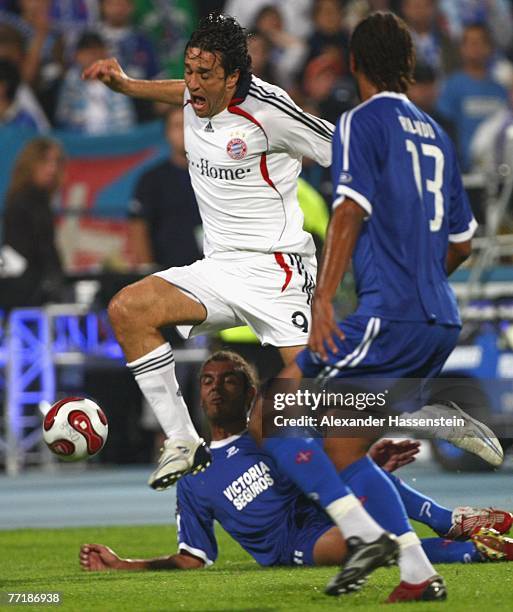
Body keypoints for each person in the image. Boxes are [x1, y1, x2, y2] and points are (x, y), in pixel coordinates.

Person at [247, 11, 500, 602]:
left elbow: (348, 209)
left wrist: (325, 297)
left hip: (389, 315)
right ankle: (416, 571)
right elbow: (463, 240)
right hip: (440, 316)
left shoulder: (359, 120)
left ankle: (364, 535)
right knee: (342, 444)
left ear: (355, 64)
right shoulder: (437, 131)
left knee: (272, 411)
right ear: (409, 65)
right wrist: (423, 286)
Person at [82, 13, 333, 490]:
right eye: (189, 71)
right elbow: (176, 89)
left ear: (233, 77)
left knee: (322, 398)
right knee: (128, 309)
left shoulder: (270, 111)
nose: (191, 85)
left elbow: (342, 146)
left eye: (204, 75)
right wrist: (128, 85)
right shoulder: (196, 92)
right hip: (219, 267)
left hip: (277, 270)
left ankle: (425, 418)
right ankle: (182, 440)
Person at [79, 351, 513, 573]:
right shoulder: (194, 474)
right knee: (366, 543)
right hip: (293, 543)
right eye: (208, 382)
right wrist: (123, 563)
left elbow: (324, 463)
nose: (215, 389)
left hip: (319, 508)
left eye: (229, 381)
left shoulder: (265, 434)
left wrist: (363, 457)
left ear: (249, 394)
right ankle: (471, 551)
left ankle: (446, 517)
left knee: (343, 451)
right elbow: (195, 557)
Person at [127, 105, 202, 269]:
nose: (183, 132)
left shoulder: (217, 176)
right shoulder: (151, 180)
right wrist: (148, 273)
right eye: (176, 126)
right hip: (167, 277)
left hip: (213, 274)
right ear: (167, 134)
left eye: (188, 125)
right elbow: (138, 228)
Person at [1, 137, 66, 309]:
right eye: (45, 161)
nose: (52, 169)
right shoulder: (22, 202)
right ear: (31, 164)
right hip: (25, 292)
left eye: (57, 162)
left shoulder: (42, 202)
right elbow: (21, 252)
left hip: (35, 287)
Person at [436, 23, 508, 171]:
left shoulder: (500, 90)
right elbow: (444, 128)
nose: (475, 47)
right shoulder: (451, 86)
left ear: (490, 47)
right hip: (465, 170)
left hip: (498, 170)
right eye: (470, 42)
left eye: (480, 42)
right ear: (461, 48)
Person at [56, 31, 136, 133]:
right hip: (81, 144)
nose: (94, 55)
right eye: (88, 50)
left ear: (105, 52)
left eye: (98, 49)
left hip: (115, 142)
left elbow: (126, 120)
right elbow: (62, 121)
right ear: (77, 55)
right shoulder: (70, 82)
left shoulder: (117, 79)